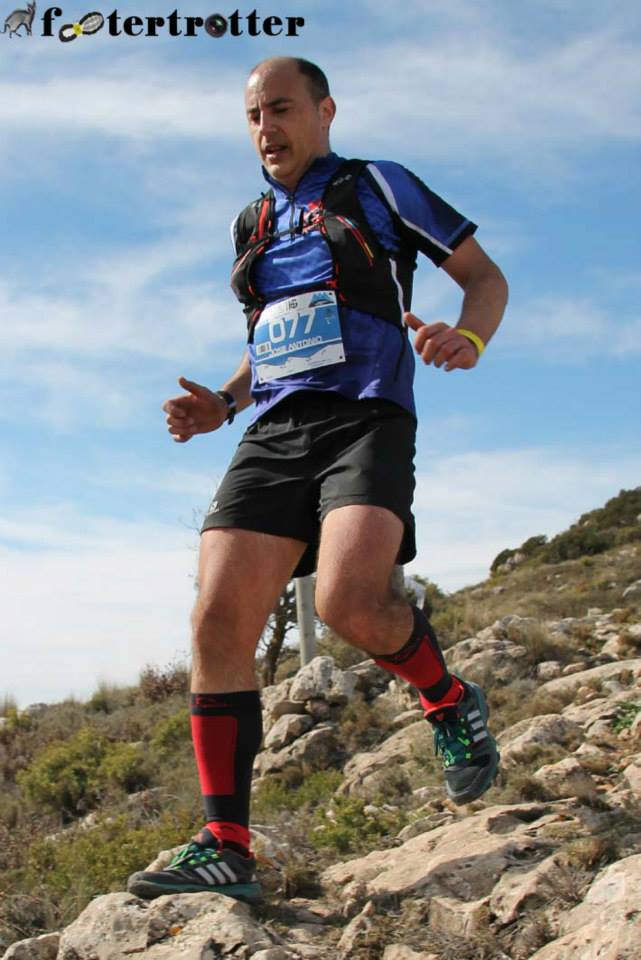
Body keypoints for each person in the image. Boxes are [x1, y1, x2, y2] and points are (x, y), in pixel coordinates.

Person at [127, 57, 508, 905]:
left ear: (325, 110)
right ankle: (225, 842)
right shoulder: (253, 222)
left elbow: (484, 278)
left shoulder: (379, 185)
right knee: (218, 617)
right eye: (254, 115)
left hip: (367, 416)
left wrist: (468, 338)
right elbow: (266, 337)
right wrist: (222, 405)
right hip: (274, 429)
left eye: (282, 109)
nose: (266, 128)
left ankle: (447, 700)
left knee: (349, 603)